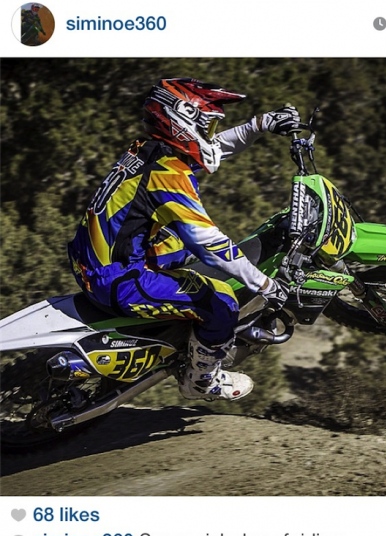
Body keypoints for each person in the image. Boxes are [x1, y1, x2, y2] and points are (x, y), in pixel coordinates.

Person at [68, 78, 301, 401]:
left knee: (184, 251)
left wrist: (258, 125)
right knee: (223, 301)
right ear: (181, 121)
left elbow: (214, 150)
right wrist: (264, 285)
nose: (210, 134)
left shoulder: (148, 151)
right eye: (207, 126)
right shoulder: (168, 174)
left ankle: (178, 329)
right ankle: (201, 380)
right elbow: (208, 243)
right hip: (115, 278)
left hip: (96, 257)